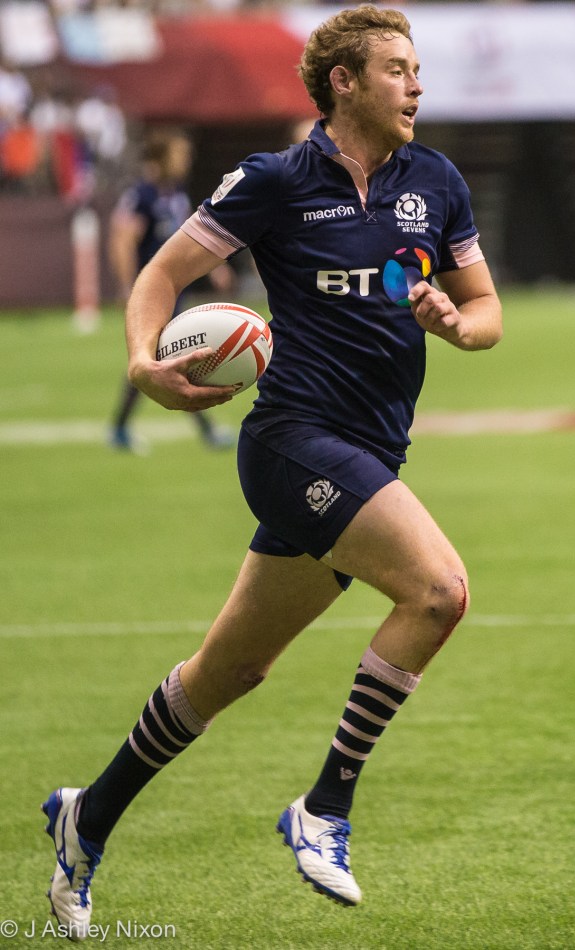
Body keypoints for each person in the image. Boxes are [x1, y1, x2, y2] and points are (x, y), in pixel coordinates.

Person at [42, 5, 502, 940]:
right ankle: (325, 808)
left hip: (374, 452)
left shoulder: (435, 182)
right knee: (440, 592)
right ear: (344, 81)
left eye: (418, 70)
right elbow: (158, 278)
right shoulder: (274, 182)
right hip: (292, 438)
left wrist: (458, 326)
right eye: (399, 70)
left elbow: (486, 306)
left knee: (231, 669)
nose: (418, 85)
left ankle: (87, 815)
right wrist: (142, 364)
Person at [108, 129, 234, 452]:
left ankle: (122, 428)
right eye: (179, 154)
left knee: (167, 358)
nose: (185, 160)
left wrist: (216, 268)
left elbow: (190, 240)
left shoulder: (174, 193)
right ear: (162, 157)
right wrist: (127, 286)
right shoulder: (143, 195)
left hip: (177, 292)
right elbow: (123, 238)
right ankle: (201, 429)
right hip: (154, 295)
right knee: (163, 358)